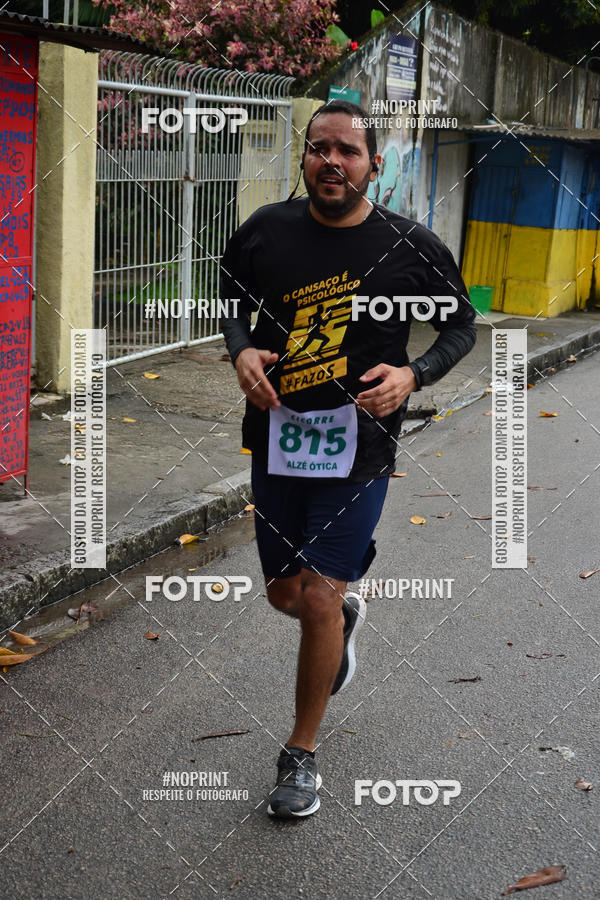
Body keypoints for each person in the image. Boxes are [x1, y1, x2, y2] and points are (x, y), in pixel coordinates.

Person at [219, 100, 476, 818]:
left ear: (374, 165)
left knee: (320, 597)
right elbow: (231, 298)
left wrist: (413, 376)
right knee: (286, 597)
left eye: (349, 152)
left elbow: (461, 326)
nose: (332, 161)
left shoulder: (411, 246)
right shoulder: (266, 231)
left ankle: (299, 757)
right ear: (303, 158)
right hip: (276, 434)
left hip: (359, 448)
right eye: (319, 148)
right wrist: (240, 349)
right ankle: (344, 618)